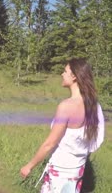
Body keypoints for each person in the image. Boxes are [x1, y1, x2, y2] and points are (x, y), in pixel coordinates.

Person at [20, 58, 105, 192]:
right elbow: (95, 139)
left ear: (74, 77)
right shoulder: (93, 106)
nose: (62, 74)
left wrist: (29, 166)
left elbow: (50, 143)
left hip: (61, 170)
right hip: (78, 169)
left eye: (65, 71)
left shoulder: (66, 107)